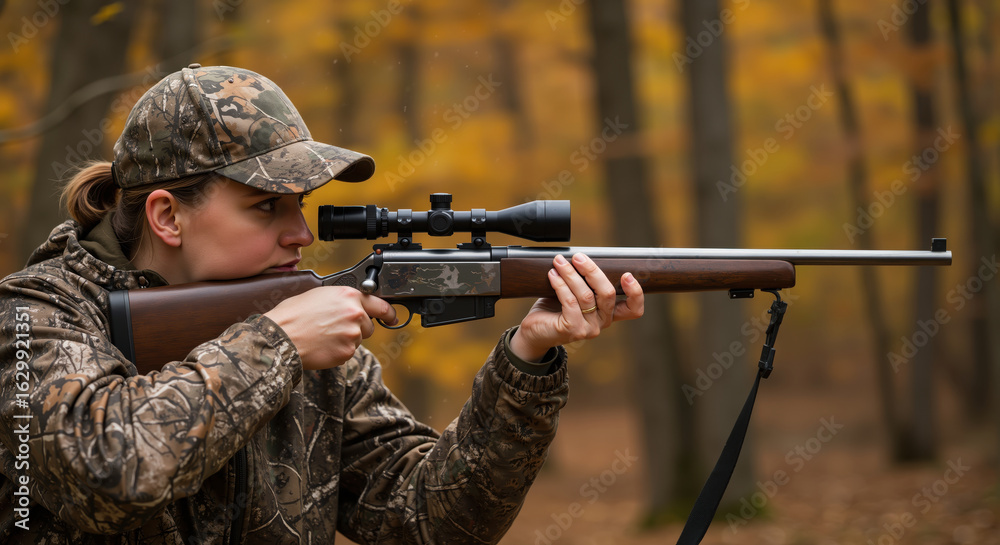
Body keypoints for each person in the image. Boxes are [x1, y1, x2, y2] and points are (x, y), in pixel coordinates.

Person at [0, 64, 643, 544]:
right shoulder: (33, 317)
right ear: (168, 215)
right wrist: (275, 346)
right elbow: (104, 474)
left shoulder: (311, 340)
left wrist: (527, 358)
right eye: (265, 206)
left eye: (300, 206)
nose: (301, 234)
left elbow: (432, 522)